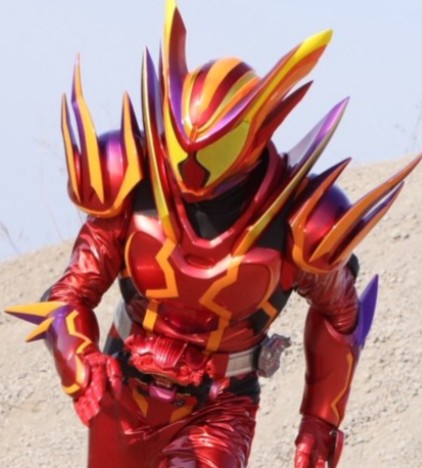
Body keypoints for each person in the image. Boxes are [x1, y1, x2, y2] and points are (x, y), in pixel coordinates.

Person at [6, 1, 421, 467]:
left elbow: (339, 315)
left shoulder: (298, 220)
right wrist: (81, 363)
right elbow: (69, 294)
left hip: (220, 405)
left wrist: (320, 421)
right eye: (180, 147)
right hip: (124, 388)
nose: (191, 169)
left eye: (214, 152)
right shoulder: (133, 184)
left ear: (254, 137)